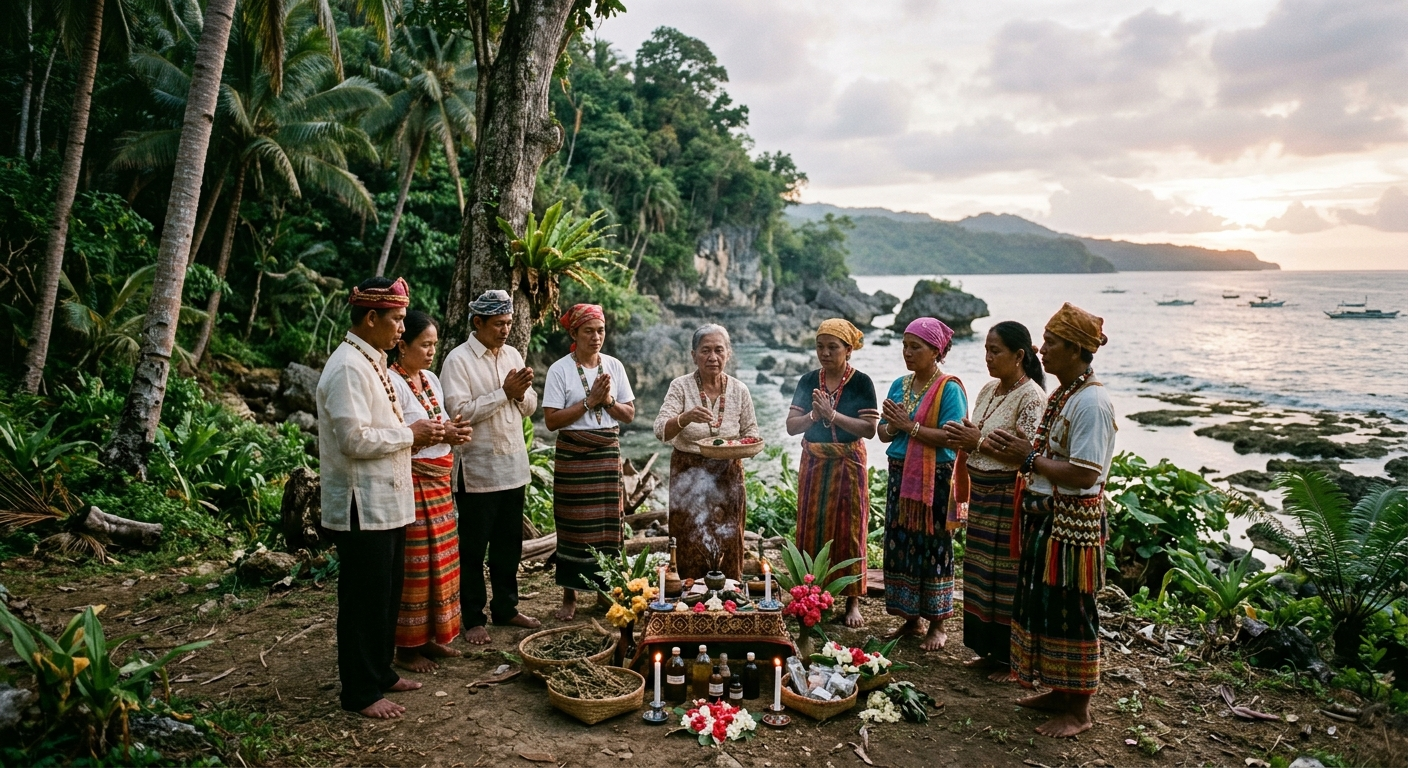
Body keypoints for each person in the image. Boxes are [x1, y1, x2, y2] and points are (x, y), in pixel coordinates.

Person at [985, 302, 1116, 738]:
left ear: (1078, 349)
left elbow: (1084, 472)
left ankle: (1079, 710)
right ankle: (1060, 691)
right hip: (1048, 518)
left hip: (1071, 524)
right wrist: (1024, 454)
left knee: (1072, 610)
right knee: (1044, 605)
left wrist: (1026, 457)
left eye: (1053, 342)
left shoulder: (1092, 402)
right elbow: (1047, 457)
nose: (1042, 349)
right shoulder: (1066, 394)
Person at [316, 276, 442, 719]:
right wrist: (410, 433)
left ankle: (381, 672)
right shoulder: (348, 366)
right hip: (361, 503)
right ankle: (360, 692)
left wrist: (416, 435)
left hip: (385, 501)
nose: (402, 331)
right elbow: (353, 438)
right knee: (363, 599)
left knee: (386, 592)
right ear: (371, 318)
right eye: (397, 320)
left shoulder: (370, 361)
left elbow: (383, 430)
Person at [942, 321, 1046, 681]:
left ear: (1020, 356)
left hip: (1007, 495)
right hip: (983, 493)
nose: (988, 357)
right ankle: (988, 650)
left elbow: (1027, 455)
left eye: (995, 351)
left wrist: (976, 443)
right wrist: (967, 437)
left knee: (1006, 576)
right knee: (980, 574)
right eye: (986, 349)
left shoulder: (1032, 397)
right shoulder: (989, 389)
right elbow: (978, 432)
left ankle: (1010, 659)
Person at [440, 290, 543, 645]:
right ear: (478, 323)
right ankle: (472, 618)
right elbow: (457, 413)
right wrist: (504, 392)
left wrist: (519, 393)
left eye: (509, 323)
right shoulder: (458, 360)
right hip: (478, 471)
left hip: (513, 466)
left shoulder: (512, 353)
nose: (505, 330)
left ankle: (506, 608)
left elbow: (530, 406)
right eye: (498, 324)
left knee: (508, 546)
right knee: (472, 550)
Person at [387, 311, 473, 672]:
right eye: (425, 345)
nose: (431, 351)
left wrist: (454, 431)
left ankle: (432, 638)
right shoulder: (392, 382)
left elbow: (437, 424)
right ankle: (406, 648)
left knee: (444, 561)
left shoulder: (431, 380)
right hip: (416, 481)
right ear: (402, 346)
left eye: (434, 345)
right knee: (418, 564)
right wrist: (443, 435)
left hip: (439, 482)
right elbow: (401, 435)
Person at [878, 317, 968, 651]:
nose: (907, 352)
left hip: (936, 477)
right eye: (905, 345)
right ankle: (910, 618)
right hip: (900, 472)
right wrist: (892, 425)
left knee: (934, 544)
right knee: (900, 541)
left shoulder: (949, 388)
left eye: (915, 346)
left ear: (936, 351)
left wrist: (909, 425)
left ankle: (938, 624)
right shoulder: (899, 385)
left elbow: (952, 436)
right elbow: (884, 432)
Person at [543, 304, 636, 620]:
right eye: (588, 331)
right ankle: (569, 597)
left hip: (606, 453)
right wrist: (588, 402)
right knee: (572, 525)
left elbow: (629, 414)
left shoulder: (614, 366)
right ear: (574, 334)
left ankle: (605, 591)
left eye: (601, 331)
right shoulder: (560, 370)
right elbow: (552, 421)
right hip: (573, 456)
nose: (596, 337)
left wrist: (607, 401)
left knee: (608, 526)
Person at [785, 319, 879, 627]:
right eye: (819, 346)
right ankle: (810, 593)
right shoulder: (809, 380)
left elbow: (869, 428)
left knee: (850, 527)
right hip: (814, 460)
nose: (824, 353)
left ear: (849, 350)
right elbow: (791, 426)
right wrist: (815, 414)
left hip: (848, 461)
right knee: (811, 526)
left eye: (832, 347)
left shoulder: (861, 382)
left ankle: (852, 600)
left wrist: (833, 415)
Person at [654, 324, 759, 580]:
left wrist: (744, 445)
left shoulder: (739, 389)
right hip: (688, 473)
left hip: (727, 475)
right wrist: (685, 418)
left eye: (719, 350)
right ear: (693, 355)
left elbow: (751, 432)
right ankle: (689, 595)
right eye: (705, 350)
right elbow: (660, 431)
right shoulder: (680, 387)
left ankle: (729, 595)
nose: (713, 357)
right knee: (687, 536)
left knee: (729, 536)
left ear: (728, 353)